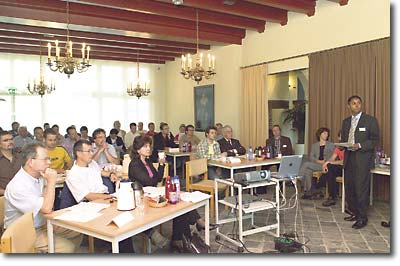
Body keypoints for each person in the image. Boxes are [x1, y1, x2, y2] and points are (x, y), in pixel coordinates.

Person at [128, 136, 215, 252]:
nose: (149, 149)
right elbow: (150, 181)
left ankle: (182, 238)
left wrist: (161, 164)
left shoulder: (147, 161)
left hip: (153, 194)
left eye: (149, 146)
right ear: (138, 149)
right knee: (177, 204)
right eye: (145, 146)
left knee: (179, 203)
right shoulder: (134, 164)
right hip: (142, 199)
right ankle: (186, 234)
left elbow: (158, 178)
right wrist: (155, 178)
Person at [3, 143, 82, 253]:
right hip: (23, 232)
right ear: (31, 162)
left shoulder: (38, 175)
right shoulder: (18, 186)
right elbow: (46, 208)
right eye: (45, 159)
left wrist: (47, 183)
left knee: (77, 231)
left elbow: (47, 204)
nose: (49, 163)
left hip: (41, 223)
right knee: (66, 248)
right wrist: (51, 181)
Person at [340, 95, 379, 229]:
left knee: (361, 189)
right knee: (350, 188)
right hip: (348, 159)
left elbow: (374, 140)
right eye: (353, 103)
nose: (356, 105)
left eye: (358, 103)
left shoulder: (370, 120)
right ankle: (354, 212)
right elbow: (345, 139)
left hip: (362, 160)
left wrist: (360, 146)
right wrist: (341, 145)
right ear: (348, 106)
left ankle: (363, 217)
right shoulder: (345, 122)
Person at [299, 127, 335, 199]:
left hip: (326, 165)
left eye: (327, 134)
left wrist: (324, 161)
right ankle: (310, 191)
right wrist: (318, 161)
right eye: (324, 133)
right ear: (320, 134)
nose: (326, 135)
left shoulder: (331, 145)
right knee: (308, 170)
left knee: (306, 164)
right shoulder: (314, 145)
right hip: (317, 164)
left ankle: (299, 177)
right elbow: (311, 157)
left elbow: (333, 157)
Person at [92, 128, 119, 193]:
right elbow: (91, 163)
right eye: (100, 137)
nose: (103, 139)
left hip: (111, 172)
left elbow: (116, 162)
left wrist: (105, 150)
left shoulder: (110, 147)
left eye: (104, 137)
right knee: (107, 183)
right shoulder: (90, 148)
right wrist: (99, 150)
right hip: (97, 174)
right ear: (94, 139)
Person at [321, 132, 345, 207]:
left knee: (330, 168)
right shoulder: (339, 147)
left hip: (348, 168)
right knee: (330, 169)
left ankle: (319, 185)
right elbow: (332, 158)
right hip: (340, 167)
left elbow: (344, 161)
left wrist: (329, 163)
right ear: (339, 138)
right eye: (341, 137)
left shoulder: (349, 147)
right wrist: (326, 163)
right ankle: (331, 197)